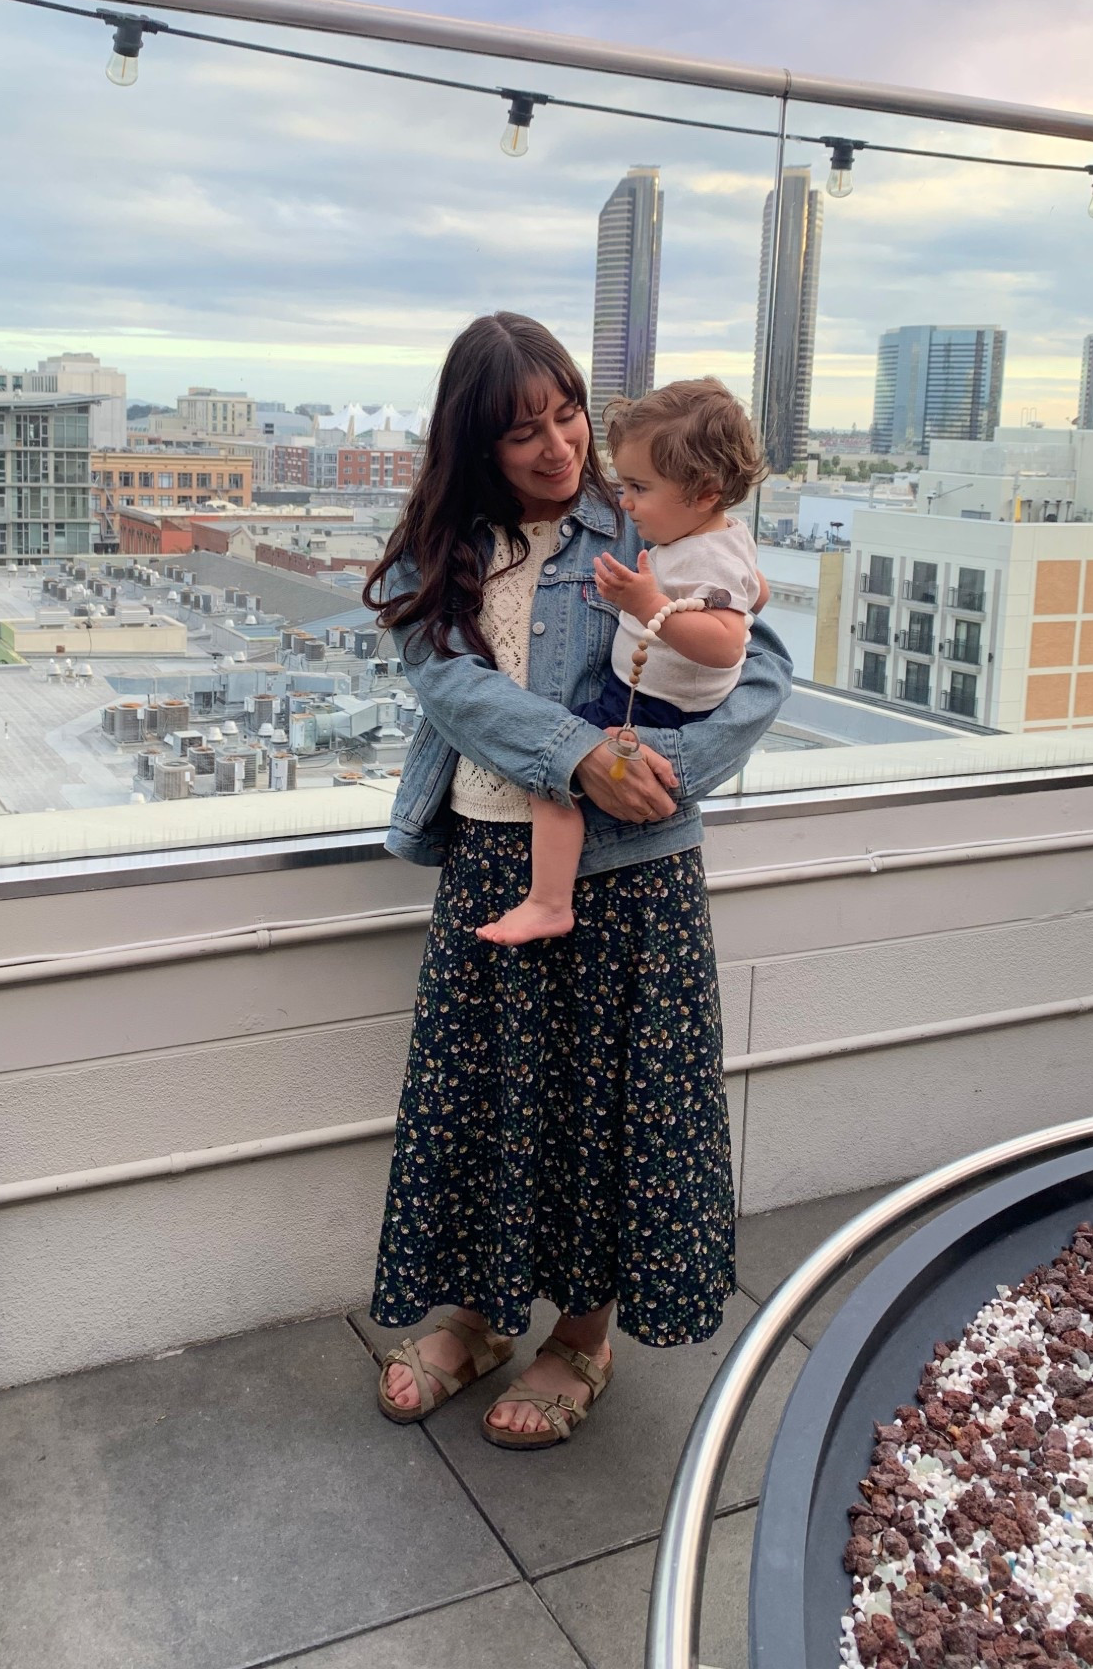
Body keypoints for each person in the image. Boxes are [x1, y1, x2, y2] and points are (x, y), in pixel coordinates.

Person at [362, 312, 792, 1448]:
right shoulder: (437, 550)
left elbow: (756, 672)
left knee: (609, 1111)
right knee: (490, 1099)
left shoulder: (650, 516)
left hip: (631, 873)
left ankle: (581, 1336)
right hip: (491, 857)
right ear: (474, 442)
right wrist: (577, 756)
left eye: (568, 415)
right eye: (523, 432)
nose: (560, 447)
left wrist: (651, 771)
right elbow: (448, 689)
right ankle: (482, 1315)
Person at [475, 377, 771, 946]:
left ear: (704, 490)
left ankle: (548, 902)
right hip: (648, 701)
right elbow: (751, 593)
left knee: (554, 775)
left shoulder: (700, 550)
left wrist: (646, 602)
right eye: (525, 432)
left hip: (653, 711)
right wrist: (753, 592)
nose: (627, 502)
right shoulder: (713, 537)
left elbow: (734, 646)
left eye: (638, 487)